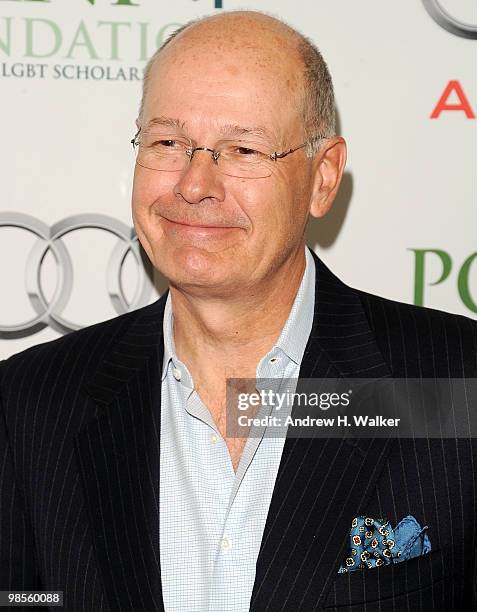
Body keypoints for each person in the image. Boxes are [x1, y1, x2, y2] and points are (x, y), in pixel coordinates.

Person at [1, 9, 477, 612]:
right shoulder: (31, 401)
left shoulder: (455, 386)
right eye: (168, 142)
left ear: (323, 177)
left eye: (243, 149)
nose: (195, 183)